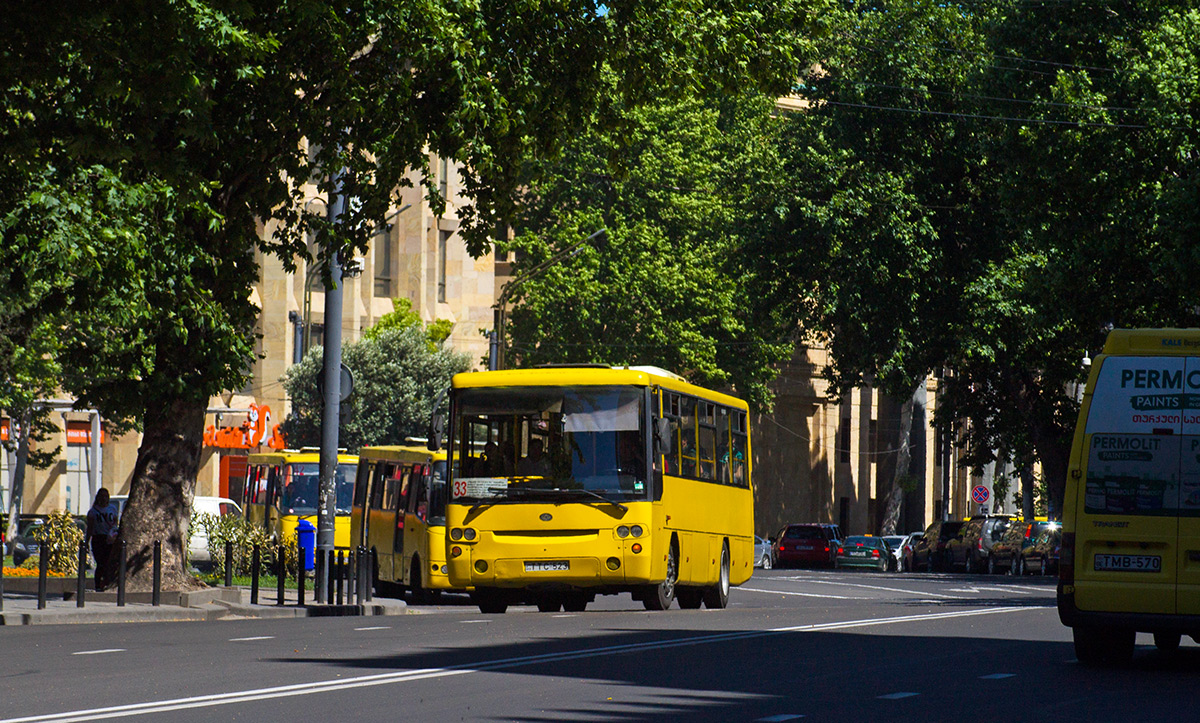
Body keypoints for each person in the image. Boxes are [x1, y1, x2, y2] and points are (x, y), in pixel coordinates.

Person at [86, 488, 119, 590]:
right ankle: (98, 585)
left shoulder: (112, 509)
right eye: (102, 496)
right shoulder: (93, 512)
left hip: (110, 539)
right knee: (100, 563)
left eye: (106, 496)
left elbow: (115, 523)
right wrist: (86, 541)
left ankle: (106, 583)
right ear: (98, 497)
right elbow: (90, 528)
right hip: (98, 538)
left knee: (109, 562)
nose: (104, 498)